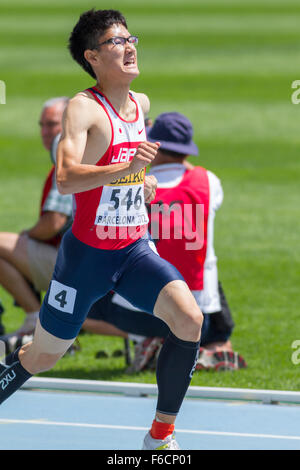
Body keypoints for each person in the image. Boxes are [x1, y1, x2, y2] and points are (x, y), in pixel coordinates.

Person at [0, 9, 204, 451]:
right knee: (42, 356)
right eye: (117, 42)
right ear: (92, 56)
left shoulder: (142, 104)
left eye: (132, 38)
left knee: (189, 320)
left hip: (133, 249)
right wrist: (127, 168)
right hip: (85, 259)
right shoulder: (83, 108)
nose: (130, 47)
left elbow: (127, 176)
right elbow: (67, 178)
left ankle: (160, 437)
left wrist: (141, 182)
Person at [83, 112, 246, 372]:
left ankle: (146, 340)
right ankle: (203, 345)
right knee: (203, 260)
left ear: (153, 146)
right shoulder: (210, 182)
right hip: (196, 318)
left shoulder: (133, 185)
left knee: (90, 291)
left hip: (135, 315)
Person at [0, 97, 73, 344]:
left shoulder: (69, 159)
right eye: (41, 125)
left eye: (52, 124)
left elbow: (53, 223)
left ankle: (36, 322)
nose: (45, 132)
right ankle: (37, 321)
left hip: (73, 265)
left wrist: (25, 235)